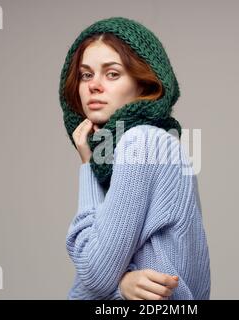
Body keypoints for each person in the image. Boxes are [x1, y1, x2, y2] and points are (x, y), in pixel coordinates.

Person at [58, 17, 211, 300]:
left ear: (144, 85)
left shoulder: (140, 141)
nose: (94, 86)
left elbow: (93, 276)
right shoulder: (142, 147)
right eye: (86, 75)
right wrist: (121, 287)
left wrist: (87, 168)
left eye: (112, 74)